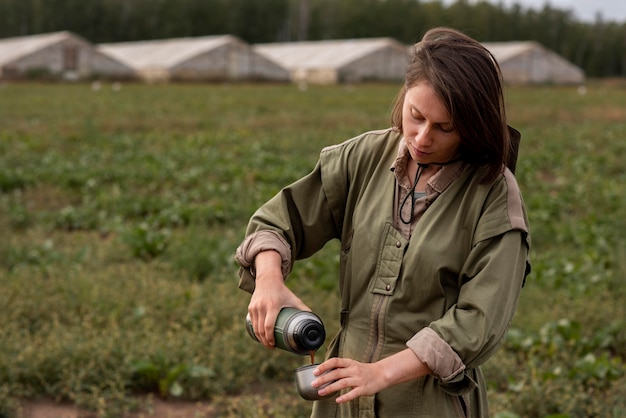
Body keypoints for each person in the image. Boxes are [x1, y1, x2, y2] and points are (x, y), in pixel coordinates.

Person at [235, 27, 531, 418]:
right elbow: (279, 220)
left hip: (429, 402)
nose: (422, 138)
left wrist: (382, 372)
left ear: (475, 126)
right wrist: (270, 280)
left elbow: (480, 323)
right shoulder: (363, 157)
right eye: (416, 116)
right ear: (403, 95)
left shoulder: (493, 195)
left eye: (445, 128)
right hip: (343, 395)